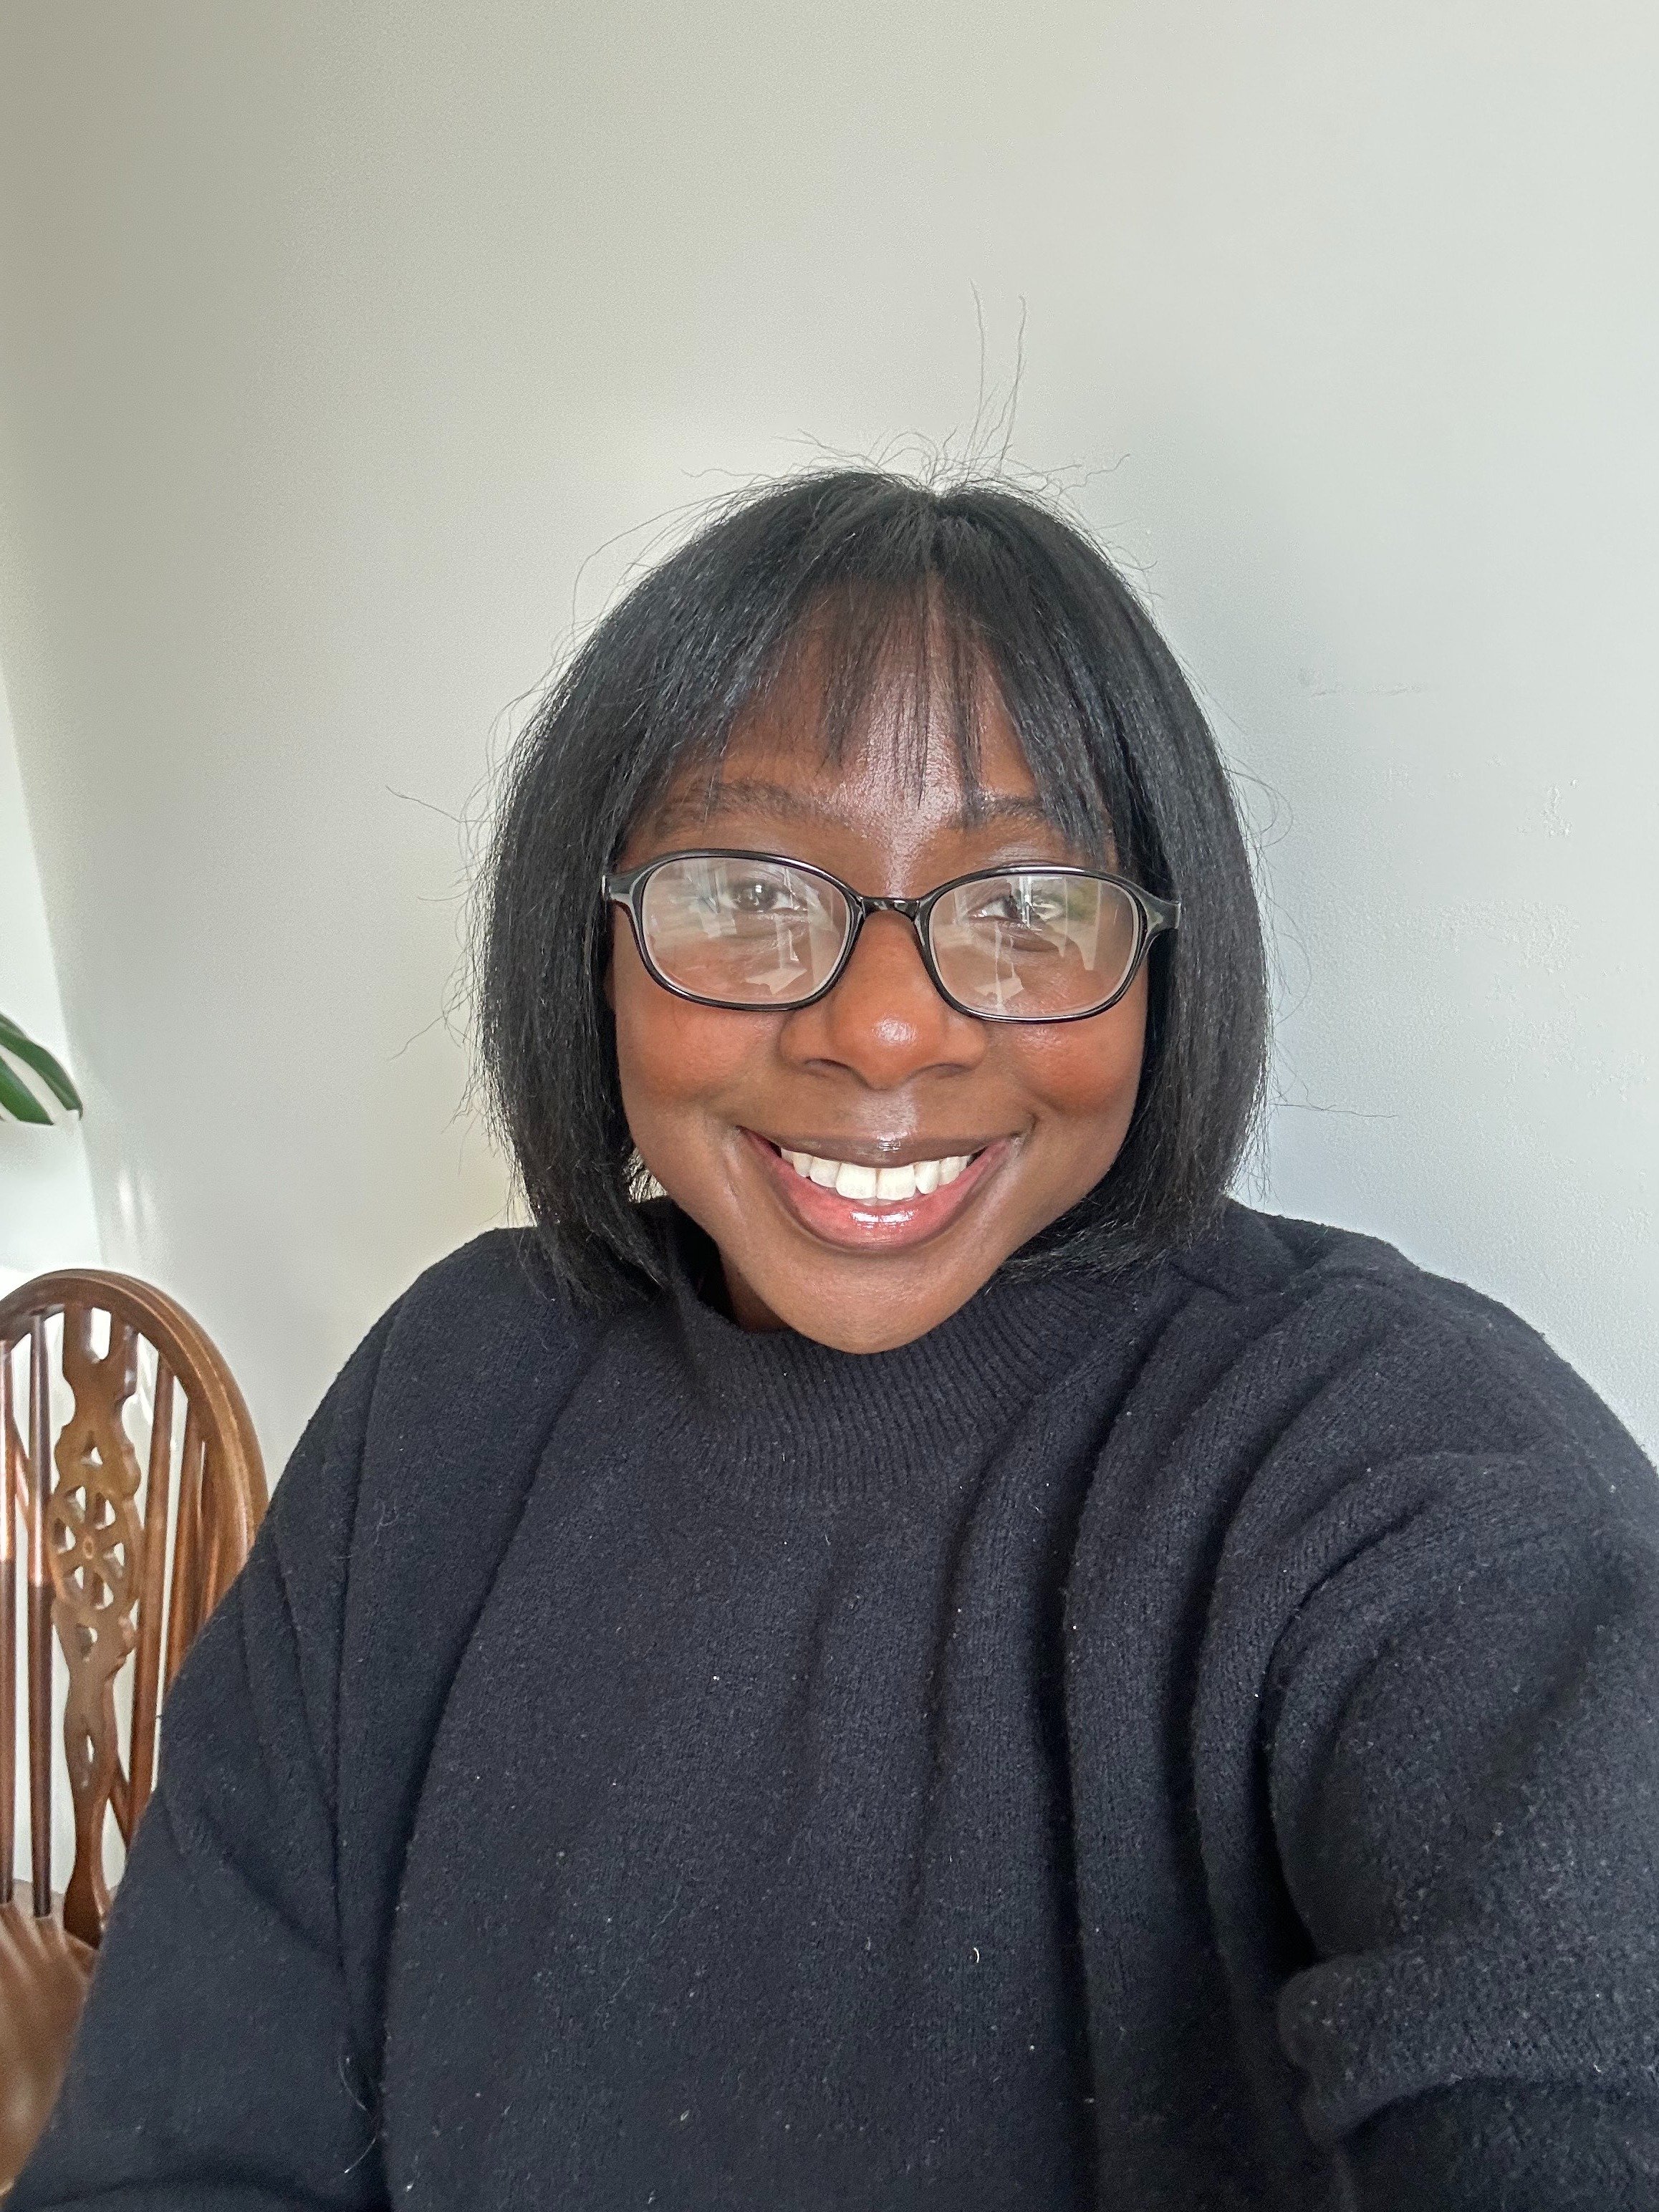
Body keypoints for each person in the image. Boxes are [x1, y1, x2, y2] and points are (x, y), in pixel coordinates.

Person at [16, 471, 1659, 2210]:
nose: (885, 1029)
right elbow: (175, 2148)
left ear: (1165, 961)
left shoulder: (1392, 1460)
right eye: (749, 886)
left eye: (1027, 904)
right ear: (598, 937)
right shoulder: (451, 1393)